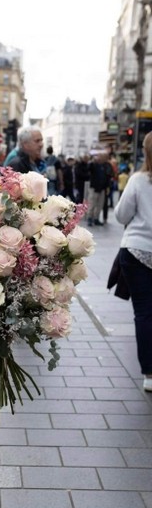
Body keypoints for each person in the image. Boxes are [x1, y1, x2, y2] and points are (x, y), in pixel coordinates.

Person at [115, 130, 152, 393]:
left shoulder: (139, 180)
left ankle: (149, 373)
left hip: (137, 251)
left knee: (144, 313)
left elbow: (121, 214)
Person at [86, 148, 111, 226]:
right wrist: (93, 160)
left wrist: (107, 186)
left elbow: (108, 176)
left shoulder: (106, 165)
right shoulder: (93, 164)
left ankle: (96, 218)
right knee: (92, 203)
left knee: (100, 205)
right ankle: (90, 218)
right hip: (94, 187)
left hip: (102, 188)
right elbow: (89, 168)